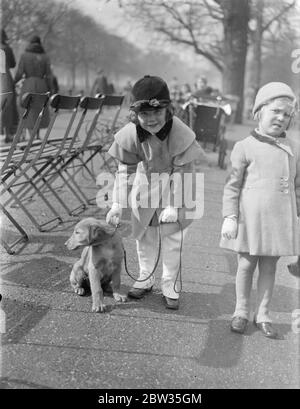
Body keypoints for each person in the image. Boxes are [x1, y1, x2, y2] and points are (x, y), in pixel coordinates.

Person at [105, 75, 206, 310]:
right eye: (145, 115)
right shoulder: (131, 133)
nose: (151, 120)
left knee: (173, 237)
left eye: (157, 112)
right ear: (135, 114)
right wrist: (117, 204)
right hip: (146, 184)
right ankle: (145, 275)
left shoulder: (180, 133)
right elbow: (124, 171)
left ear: (168, 109)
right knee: (144, 235)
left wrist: (173, 205)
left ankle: (169, 282)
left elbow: (185, 171)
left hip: (176, 184)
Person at [220, 82, 299, 339]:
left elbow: (297, 185)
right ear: (259, 112)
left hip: (279, 219)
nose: (280, 118)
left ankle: (263, 313)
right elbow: (232, 185)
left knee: (269, 267)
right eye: (275, 111)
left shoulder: (294, 148)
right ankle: (241, 311)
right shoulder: (244, 146)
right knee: (245, 265)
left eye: (286, 114)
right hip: (249, 219)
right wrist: (230, 216)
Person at [14, 35, 52, 138]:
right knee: (39, 108)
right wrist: (51, 89)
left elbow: (19, 73)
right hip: (41, 84)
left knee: (26, 108)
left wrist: (13, 82)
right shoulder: (45, 57)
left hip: (28, 84)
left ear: (30, 44)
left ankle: (29, 134)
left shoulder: (24, 55)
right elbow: (49, 75)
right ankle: (37, 136)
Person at [0, 29, 19, 143]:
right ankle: (7, 134)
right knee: (7, 105)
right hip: (5, 77)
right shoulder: (7, 48)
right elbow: (12, 64)